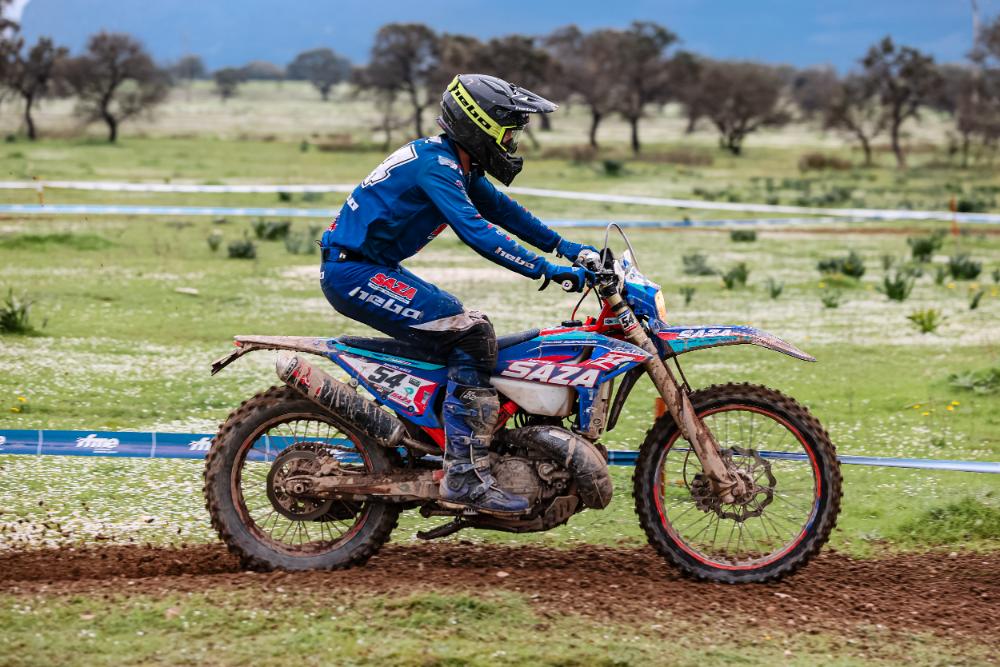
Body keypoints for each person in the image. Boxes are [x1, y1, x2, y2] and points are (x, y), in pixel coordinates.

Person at [319, 74, 596, 515]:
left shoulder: (452, 161)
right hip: (353, 272)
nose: (511, 142)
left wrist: (567, 247)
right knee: (471, 334)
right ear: (479, 124)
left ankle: (437, 440)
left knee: (464, 327)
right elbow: (479, 232)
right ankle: (465, 476)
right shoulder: (438, 167)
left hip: (370, 266)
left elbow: (504, 211)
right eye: (508, 131)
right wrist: (550, 271)